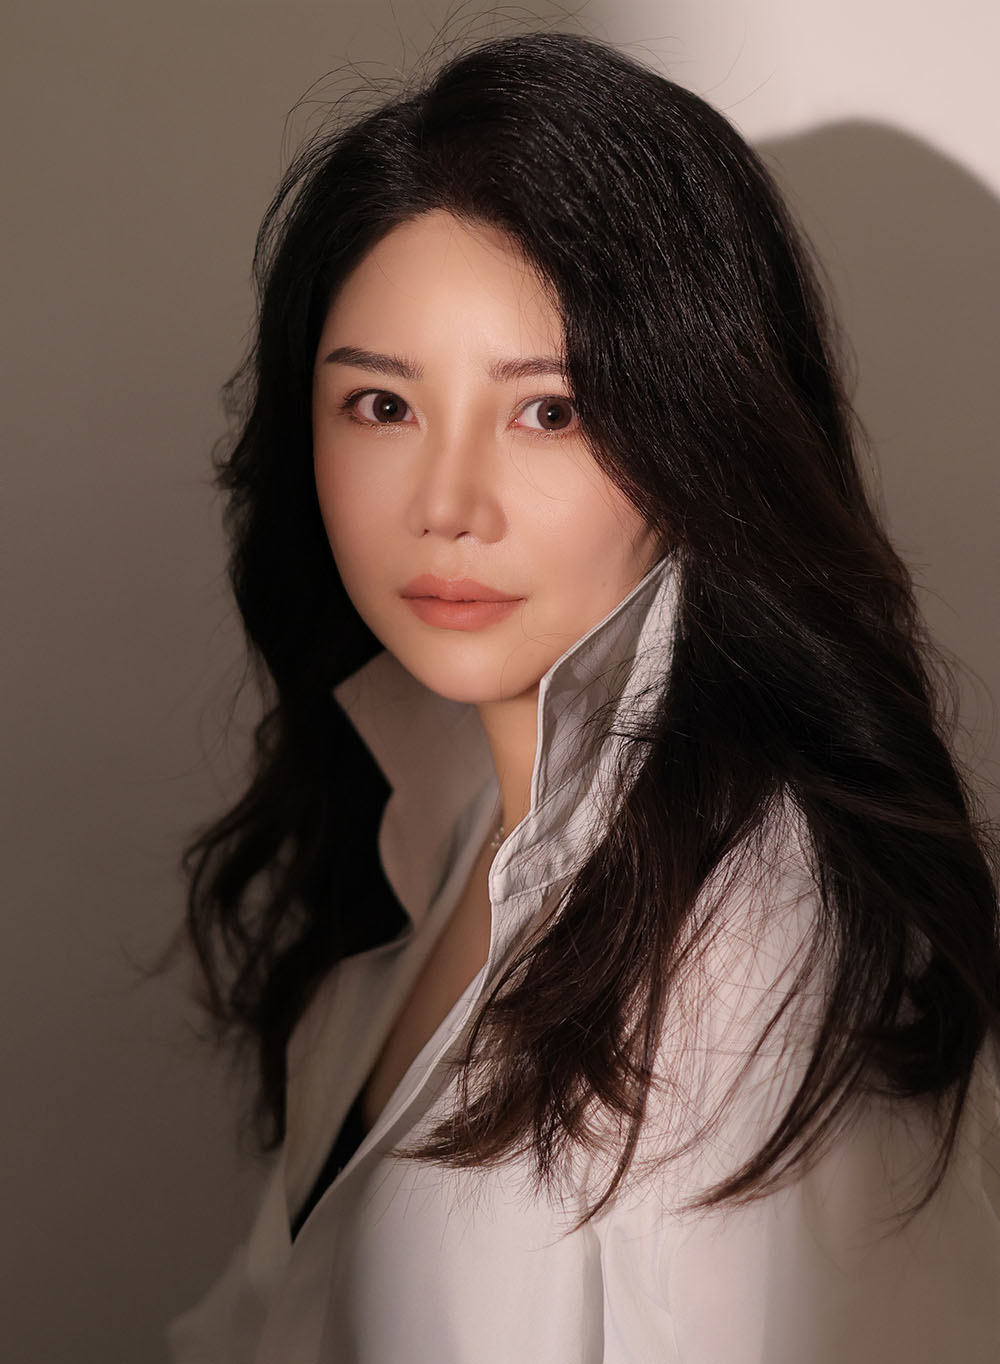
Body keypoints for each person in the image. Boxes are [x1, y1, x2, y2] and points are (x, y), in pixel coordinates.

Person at [168, 30, 1000, 1363]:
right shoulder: (435, 807)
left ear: (702, 432)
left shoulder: (759, 950)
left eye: (549, 412)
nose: (446, 506)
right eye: (381, 405)